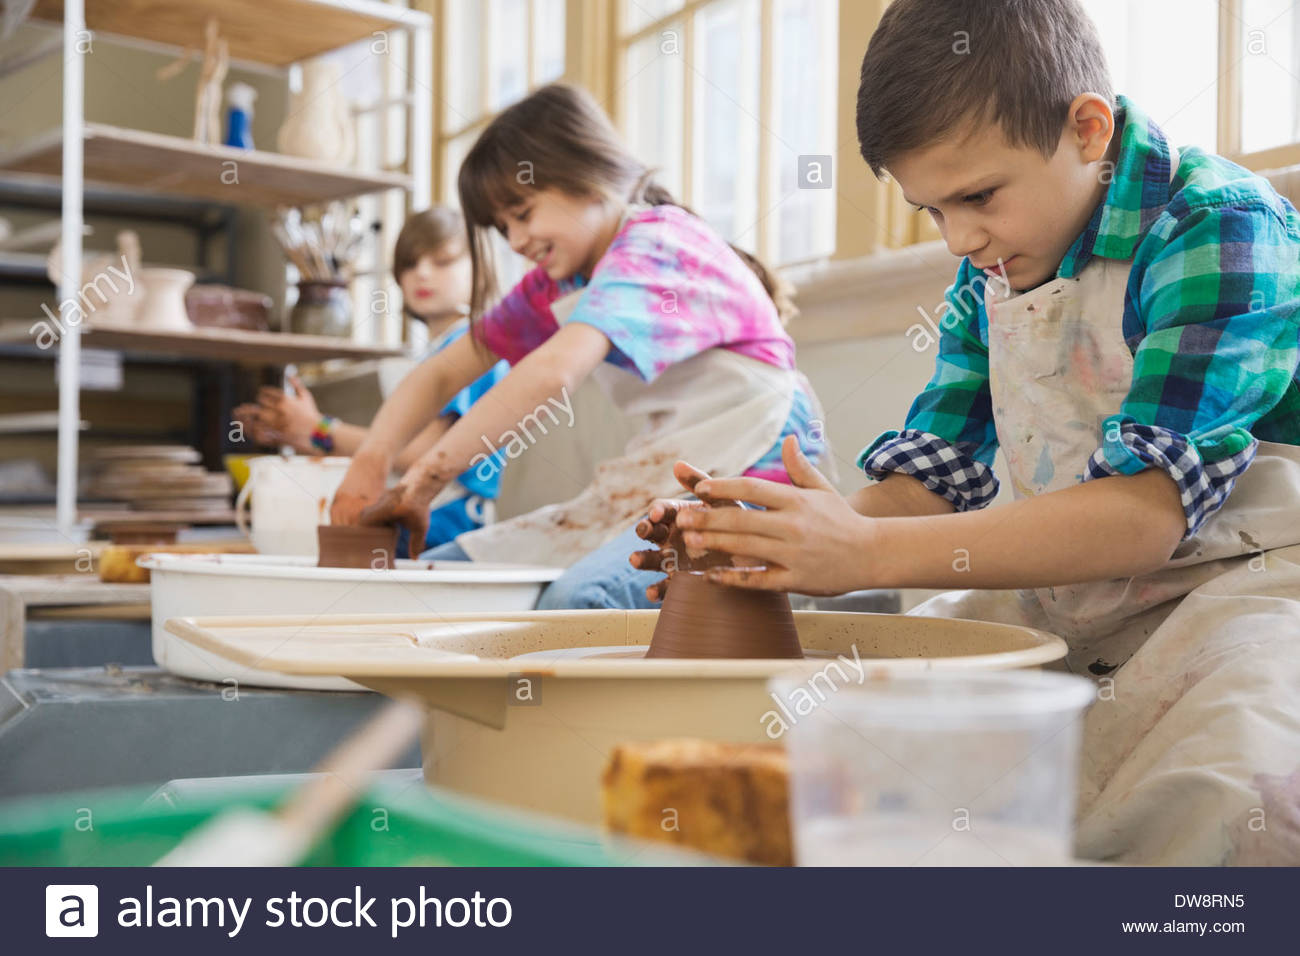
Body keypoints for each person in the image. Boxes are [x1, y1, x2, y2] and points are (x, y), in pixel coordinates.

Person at [634, 0, 1300, 866]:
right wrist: (772, 539)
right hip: (1058, 591)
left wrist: (863, 556)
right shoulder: (990, 267)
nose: (960, 236)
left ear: (1087, 128)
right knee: (855, 754)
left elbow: (1146, 517)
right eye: (930, 210)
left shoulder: (1216, 224)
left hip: (1237, 589)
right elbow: (932, 481)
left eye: (978, 196)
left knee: (1225, 803)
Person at [329, 82, 833, 605]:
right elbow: (442, 370)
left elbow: (554, 373)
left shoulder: (656, 246)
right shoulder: (561, 282)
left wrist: (423, 483)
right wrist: (372, 456)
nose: (516, 241)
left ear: (590, 178)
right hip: (676, 482)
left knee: (578, 601)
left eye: (522, 213)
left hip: (755, 485)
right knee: (438, 581)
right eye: (503, 228)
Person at [234, 207, 508, 549]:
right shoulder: (432, 351)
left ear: (482, 269)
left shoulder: (477, 344)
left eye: (443, 261)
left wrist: (320, 430)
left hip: (447, 523)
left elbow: (426, 453)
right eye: (410, 264)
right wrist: (309, 436)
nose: (422, 273)